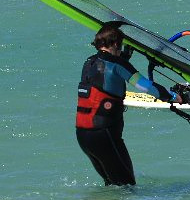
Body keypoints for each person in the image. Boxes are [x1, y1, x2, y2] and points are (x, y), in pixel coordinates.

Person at [76, 22, 181, 186]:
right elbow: (146, 87)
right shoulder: (118, 65)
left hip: (84, 136)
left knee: (112, 185)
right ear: (116, 44)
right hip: (104, 135)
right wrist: (174, 97)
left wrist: (125, 57)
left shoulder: (89, 62)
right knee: (126, 187)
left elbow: (107, 77)